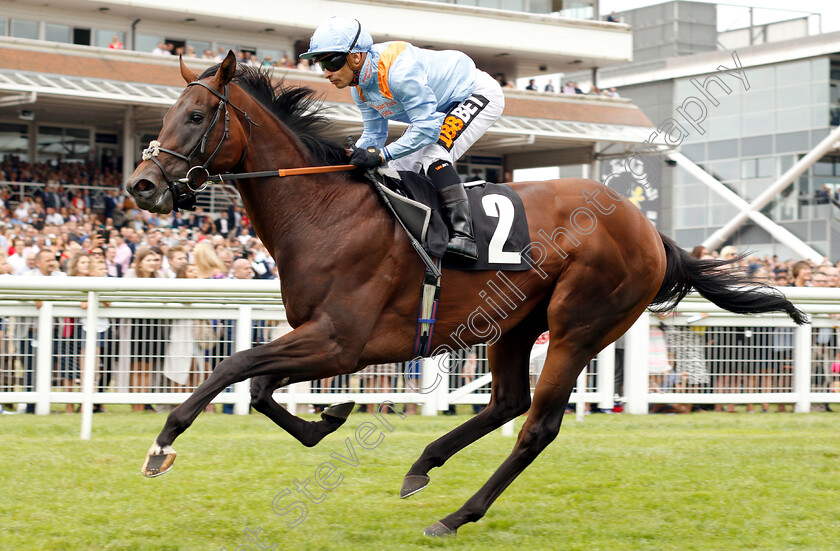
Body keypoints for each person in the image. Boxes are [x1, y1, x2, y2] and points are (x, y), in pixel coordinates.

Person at [300, 16, 505, 262]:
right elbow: (375, 135)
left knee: (434, 154)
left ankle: (464, 235)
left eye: (330, 63)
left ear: (355, 57)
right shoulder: (359, 88)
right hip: (437, 110)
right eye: (319, 65)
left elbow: (427, 130)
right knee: (397, 168)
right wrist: (351, 160)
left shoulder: (399, 73)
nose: (325, 74)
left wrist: (381, 154)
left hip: (475, 93)